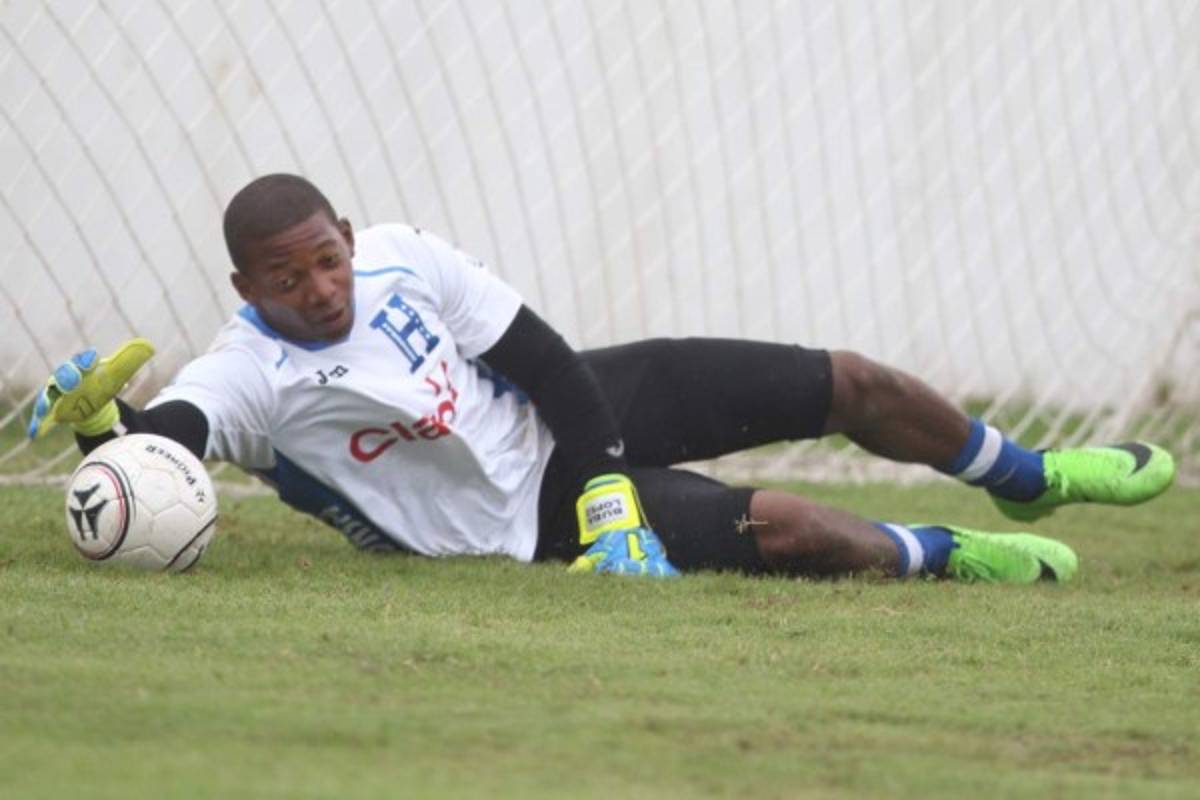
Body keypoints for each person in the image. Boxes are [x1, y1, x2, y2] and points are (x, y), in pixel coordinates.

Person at [29, 174, 1176, 583]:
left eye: (328, 258)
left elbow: (541, 358)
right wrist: (99, 429)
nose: (321, 288)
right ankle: (946, 551)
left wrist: (611, 487)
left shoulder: (402, 257)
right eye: (289, 278)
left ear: (347, 233)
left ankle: (1027, 474)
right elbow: (161, 450)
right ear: (247, 284)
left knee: (850, 378)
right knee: (785, 522)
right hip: (512, 521)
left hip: (569, 406)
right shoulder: (248, 371)